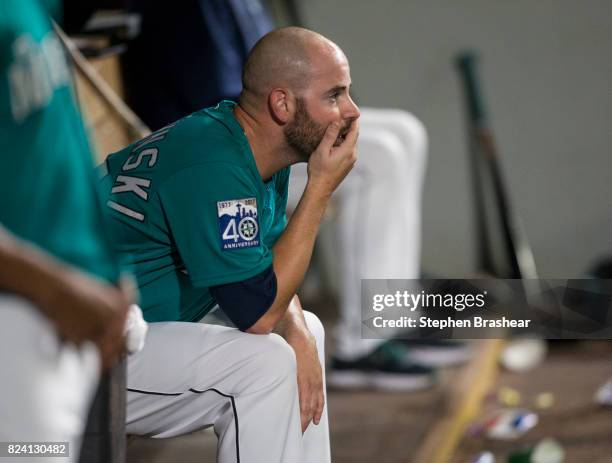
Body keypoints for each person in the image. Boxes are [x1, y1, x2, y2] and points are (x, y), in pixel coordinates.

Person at [101, 27, 359, 463]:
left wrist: (297, 332)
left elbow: (268, 270)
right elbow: (256, 312)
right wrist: (320, 189)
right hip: (65, 344)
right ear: (282, 104)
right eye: (334, 96)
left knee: (304, 331)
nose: (351, 111)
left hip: (127, 327)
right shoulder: (214, 163)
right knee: (264, 366)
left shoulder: (253, 147)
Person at [0, 1, 131, 461]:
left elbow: (59, 143)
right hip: (21, 309)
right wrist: (56, 288)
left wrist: (114, 269)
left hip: (77, 308)